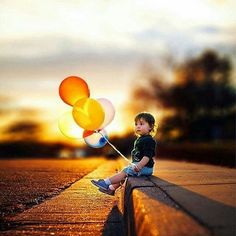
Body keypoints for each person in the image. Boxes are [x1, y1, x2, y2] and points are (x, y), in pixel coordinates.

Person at [91, 112, 157, 196]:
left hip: (145, 167)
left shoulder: (149, 140)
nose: (138, 126)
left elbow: (147, 156)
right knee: (125, 174)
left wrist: (139, 166)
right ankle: (111, 189)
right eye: (136, 124)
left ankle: (105, 182)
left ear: (150, 127)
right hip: (141, 167)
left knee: (125, 172)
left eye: (141, 124)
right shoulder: (140, 139)